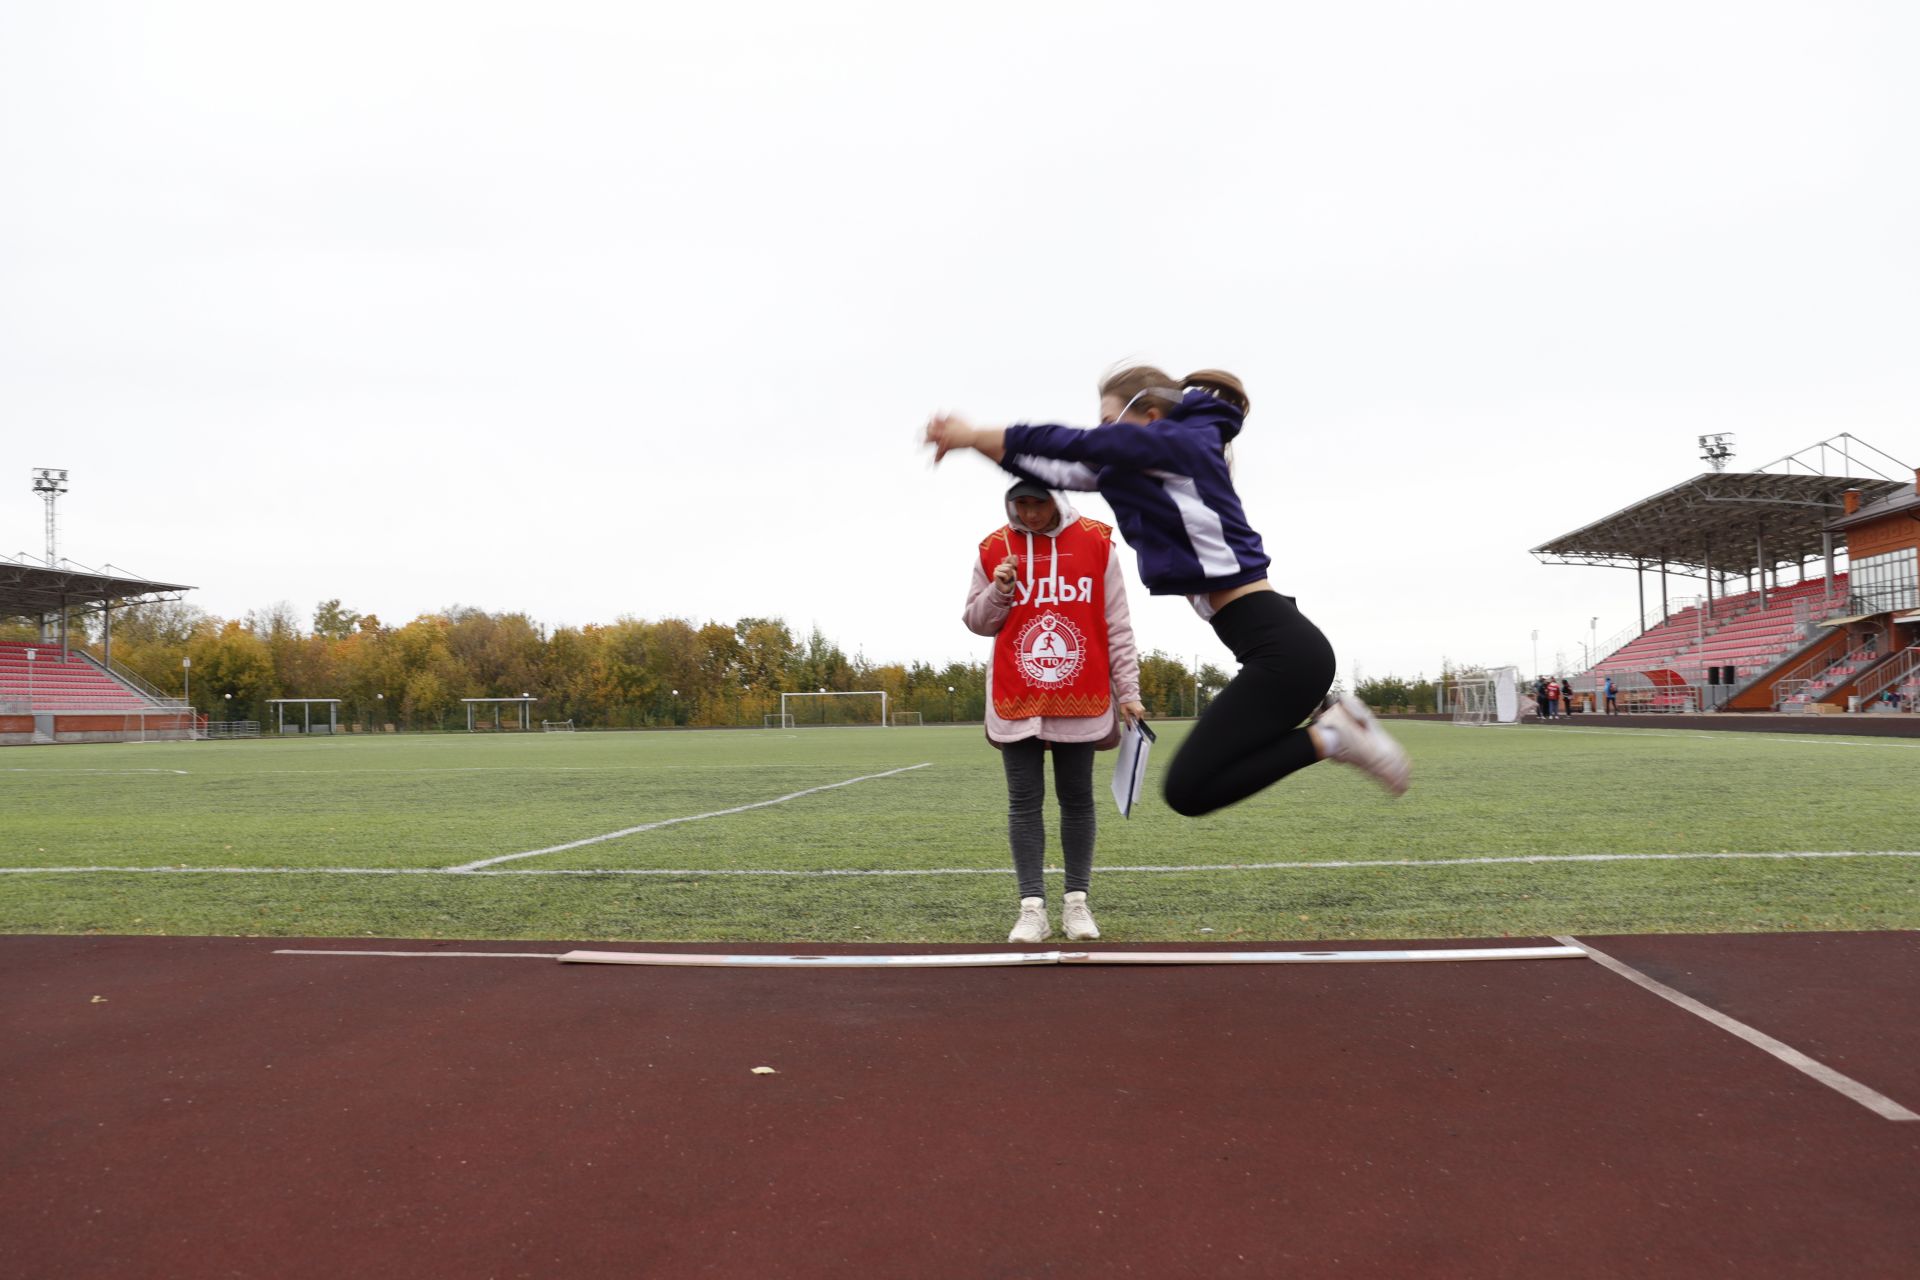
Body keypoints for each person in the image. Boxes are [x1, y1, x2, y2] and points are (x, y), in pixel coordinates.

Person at [926, 365, 1409, 817]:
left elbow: (1068, 443)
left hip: (1283, 650)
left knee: (1188, 788)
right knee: (1190, 789)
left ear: (1151, 418)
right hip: (1276, 645)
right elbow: (1053, 469)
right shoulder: (1140, 469)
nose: (1103, 437)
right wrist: (972, 446)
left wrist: (974, 432)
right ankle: (1331, 731)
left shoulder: (1180, 444)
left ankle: (1331, 736)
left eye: (1111, 424)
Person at [964, 481, 1145, 943]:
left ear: (1056, 498)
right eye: (1020, 503)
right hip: (1017, 693)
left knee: (1076, 799)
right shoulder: (992, 548)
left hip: (1080, 694)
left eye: (1038, 502)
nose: (1030, 513)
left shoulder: (1096, 541)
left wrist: (1129, 690)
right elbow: (977, 621)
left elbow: (1117, 622)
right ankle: (1032, 909)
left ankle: (1076, 904)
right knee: (1023, 804)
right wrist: (1000, 590)